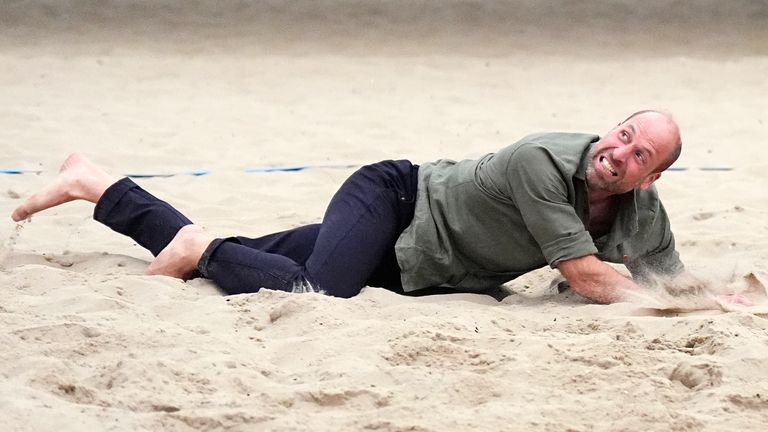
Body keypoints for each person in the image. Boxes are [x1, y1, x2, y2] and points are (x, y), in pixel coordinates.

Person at [11, 110, 686, 304]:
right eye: (622, 135)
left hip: (417, 265)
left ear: (648, 180)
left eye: (638, 156)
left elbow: (668, 279)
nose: (619, 153)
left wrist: (711, 300)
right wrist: (663, 305)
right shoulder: (543, 158)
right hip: (392, 201)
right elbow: (588, 276)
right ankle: (202, 251)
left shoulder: (643, 216)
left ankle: (94, 184)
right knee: (320, 289)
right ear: (610, 130)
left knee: (252, 256)